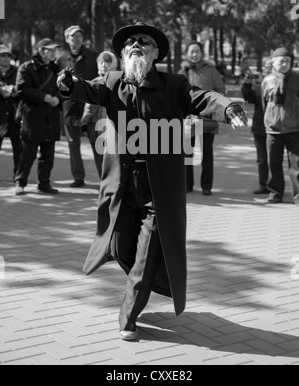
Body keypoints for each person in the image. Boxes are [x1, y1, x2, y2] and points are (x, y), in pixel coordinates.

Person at [57, 21, 247, 341]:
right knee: (119, 248)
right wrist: (66, 83)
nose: (136, 45)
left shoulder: (175, 85)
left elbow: (204, 98)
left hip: (157, 188)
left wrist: (228, 108)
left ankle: (129, 316)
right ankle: (153, 281)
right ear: (122, 52)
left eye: (143, 42)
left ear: (155, 52)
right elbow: (86, 88)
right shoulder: (113, 81)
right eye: (130, 42)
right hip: (122, 186)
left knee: (146, 257)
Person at [14, 39, 62, 196]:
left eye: (55, 50)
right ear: (41, 51)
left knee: (48, 156)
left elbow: (63, 88)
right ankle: (20, 182)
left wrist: (57, 98)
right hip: (32, 116)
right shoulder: (26, 67)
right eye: (50, 49)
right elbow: (21, 89)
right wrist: (45, 97)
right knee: (28, 153)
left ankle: (44, 183)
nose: (54, 53)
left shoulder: (56, 69)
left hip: (51, 117)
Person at [178, 41, 226, 195]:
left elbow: (220, 90)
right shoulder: (182, 72)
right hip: (188, 121)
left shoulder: (212, 71)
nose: (194, 54)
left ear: (202, 53)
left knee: (206, 155)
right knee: (187, 155)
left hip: (207, 120)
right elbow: (175, 95)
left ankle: (206, 187)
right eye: (191, 51)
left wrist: (213, 108)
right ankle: (186, 185)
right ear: (187, 53)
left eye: (197, 51)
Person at [56, 25, 98, 188]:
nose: (77, 39)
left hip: (91, 106)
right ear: (67, 39)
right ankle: (78, 177)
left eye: (80, 36)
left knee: (97, 143)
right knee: (73, 144)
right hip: (70, 107)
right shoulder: (60, 59)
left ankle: (105, 177)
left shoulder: (93, 56)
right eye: (73, 36)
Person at [261, 47, 299, 205]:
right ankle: (275, 193)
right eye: (281, 61)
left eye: (287, 61)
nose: (284, 63)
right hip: (273, 129)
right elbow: (263, 104)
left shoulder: (297, 78)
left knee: (296, 166)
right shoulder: (267, 81)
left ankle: (298, 196)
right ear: (273, 63)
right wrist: (269, 121)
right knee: (273, 163)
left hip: (295, 128)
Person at [81, 51, 118, 179]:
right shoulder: (94, 82)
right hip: (96, 128)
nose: (103, 65)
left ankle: (112, 185)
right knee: (99, 159)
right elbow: (89, 106)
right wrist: (84, 122)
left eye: (107, 62)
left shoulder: (119, 81)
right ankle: (104, 184)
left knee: (113, 160)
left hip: (113, 128)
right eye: (101, 62)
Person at [241, 58, 272, 194]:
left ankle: (277, 186)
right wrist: (247, 84)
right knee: (262, 158)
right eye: (266, 67)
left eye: (270, 66)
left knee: (275, 159)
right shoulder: (260, 84)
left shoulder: (280, 82)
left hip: (276, 126)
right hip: (260, 125)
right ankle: (263, 185)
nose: (267, 69)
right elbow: (249, 99)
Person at [0, 44, 22, 179]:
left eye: (8, 55)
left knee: (18, 148)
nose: (6, 58)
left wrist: (15, 91)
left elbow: (24, 88)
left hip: (15, 115)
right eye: (3, 55)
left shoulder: (18, 71)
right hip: (0, 116)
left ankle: (19, 176)